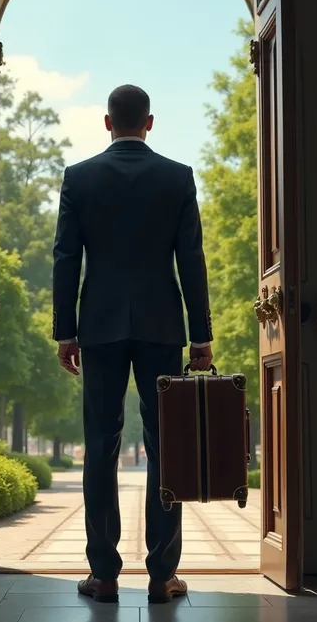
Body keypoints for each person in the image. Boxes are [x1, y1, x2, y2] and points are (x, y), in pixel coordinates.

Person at [52, 84, 213, 604]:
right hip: (162, 327)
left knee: (100, 447)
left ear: (107, 123)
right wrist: (201, 336)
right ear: (150, 122)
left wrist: (66, 332)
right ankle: (163, 576)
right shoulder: (177, 178)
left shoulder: (79, 178)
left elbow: (65, 259)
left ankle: (103, 575)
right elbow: (191, 259)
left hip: (98, 328)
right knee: (167, 445)